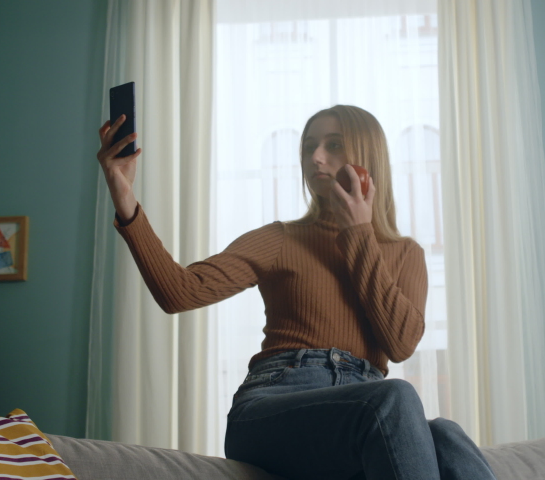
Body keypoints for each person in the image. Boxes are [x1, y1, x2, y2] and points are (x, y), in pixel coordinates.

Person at [96, 105, 496, 480]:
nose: (316, 158)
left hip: (362, 416)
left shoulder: (405, 253)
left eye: (333, 145)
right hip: (272, 406)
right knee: (397, 399)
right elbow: (178, 292)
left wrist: (358, 234)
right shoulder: (281, 239)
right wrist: (124, 195)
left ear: (366, 154)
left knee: (446, 434)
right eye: (308, 147)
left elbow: (401, 343)